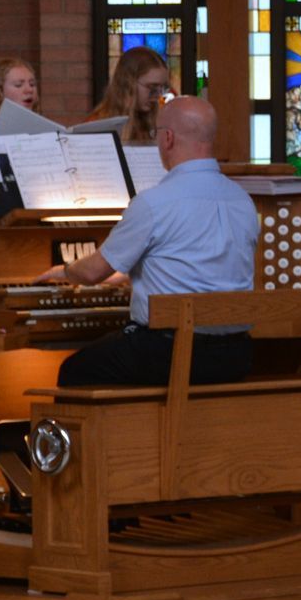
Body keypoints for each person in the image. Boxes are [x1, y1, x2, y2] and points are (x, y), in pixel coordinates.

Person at [41, 96, 258, 387]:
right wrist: (132, 273)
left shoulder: (154, 203)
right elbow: (197, 262)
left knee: (75, 370)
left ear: (168, 138)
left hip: (169, 353)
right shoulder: (243, 200)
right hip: (234, 354)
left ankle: (134, 420)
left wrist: (65, 271)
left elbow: (92, 273)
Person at [88, 45, 169, 144]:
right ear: (128, 84)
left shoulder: (160, 123)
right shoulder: (97, 126)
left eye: (162, 88)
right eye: (152, 87)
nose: (158, 96)